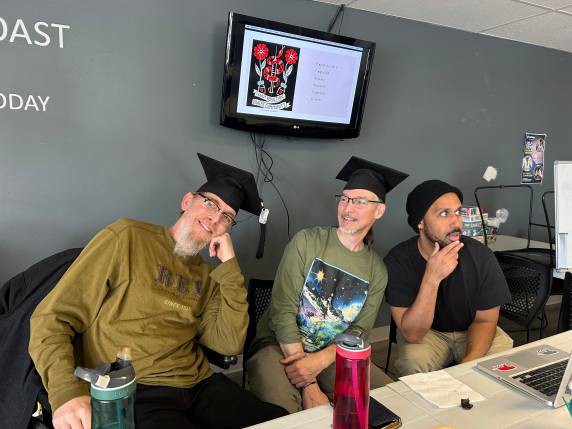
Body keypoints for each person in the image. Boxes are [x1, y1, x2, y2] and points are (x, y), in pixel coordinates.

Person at [29, 153, 287, 429]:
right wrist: (65, 392)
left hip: (199, 384)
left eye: (227, 216)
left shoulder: (211, 275)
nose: (215, 218)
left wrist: (230, 268)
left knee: (284, 423)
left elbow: (229, 343)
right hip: (136, 389)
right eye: (210, 203)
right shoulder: (128, 237)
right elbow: (52, 318)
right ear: (187, 201)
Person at [246, 156, 408, 414]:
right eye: (344, 198)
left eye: (360, 201)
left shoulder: (376, 270)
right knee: (287, 413)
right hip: (277, 346)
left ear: (379, 210)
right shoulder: (307, 242)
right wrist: (309, 383)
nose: (348, 208)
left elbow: (359, 330)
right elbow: (282, 311)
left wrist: (320, 361)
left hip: (331, 353)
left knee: (391, 401)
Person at [384, 179, 513, 377]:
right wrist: (432, 277)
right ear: (420, 222)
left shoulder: (481, 256)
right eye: (444, 213)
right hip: (427, 335)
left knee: (502, 360)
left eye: (458, 212)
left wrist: (468, 365)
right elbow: (412, 334)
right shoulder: (397, 261)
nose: (456, 222)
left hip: (472, 328)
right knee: (413, 362)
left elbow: (485, 321)